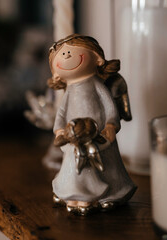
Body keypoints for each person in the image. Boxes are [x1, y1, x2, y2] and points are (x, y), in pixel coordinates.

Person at [48, 34, 137, 215]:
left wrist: (111, 125)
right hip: (73, 136)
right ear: (56, 72)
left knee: (106, 164)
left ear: (97, 58)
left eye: (71, 51)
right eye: (62, 53)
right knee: (74, 166)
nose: (66, 55)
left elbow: (109, 107)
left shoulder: (96, 85)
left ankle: (112, 193)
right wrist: (59, 130)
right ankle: (71, 194)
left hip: (99, 135)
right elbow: (62, 113)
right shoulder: (69, 91)